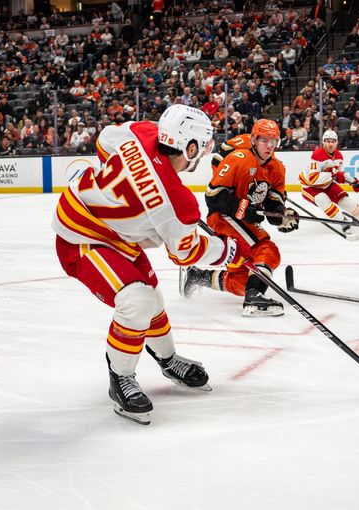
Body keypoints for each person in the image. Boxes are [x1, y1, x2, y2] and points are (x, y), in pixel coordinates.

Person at [52, 104, 251, 425]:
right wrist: (230, 252)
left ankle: (167, 359)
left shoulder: (142, 131)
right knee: (137, 300)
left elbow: (104, 142)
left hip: (111, 230)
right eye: (201, 147)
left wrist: (123, 181)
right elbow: (186, 253)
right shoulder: (176, 201)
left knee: (152, 299)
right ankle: (121, 376)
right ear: (189, 147)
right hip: (80, 237)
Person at [180, 119, 299, 316]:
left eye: (273, 141)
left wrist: (282, 216)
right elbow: (213, 196)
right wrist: (243, 209)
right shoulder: (238, 158)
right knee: (267, 249)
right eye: (264, 141)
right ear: (253, 139)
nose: (269, 146)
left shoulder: (277, 168)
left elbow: (272, 205)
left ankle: (198, 276)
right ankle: (253, 298)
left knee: (242, 280)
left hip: (243, 220)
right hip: (223, 217)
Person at [297, 129, 359, 240]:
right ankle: (343, 221)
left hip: (327, 184)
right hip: (310, 187)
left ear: (336, 142)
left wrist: (354, 182)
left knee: (346, 201)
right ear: (323, 142)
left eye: (333, 141)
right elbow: (312, 178)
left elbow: (339, 174)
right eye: (328, 141)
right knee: (322, 200)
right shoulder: (318, 155)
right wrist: (332, 176)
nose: (330, 144)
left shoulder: (339, 156)